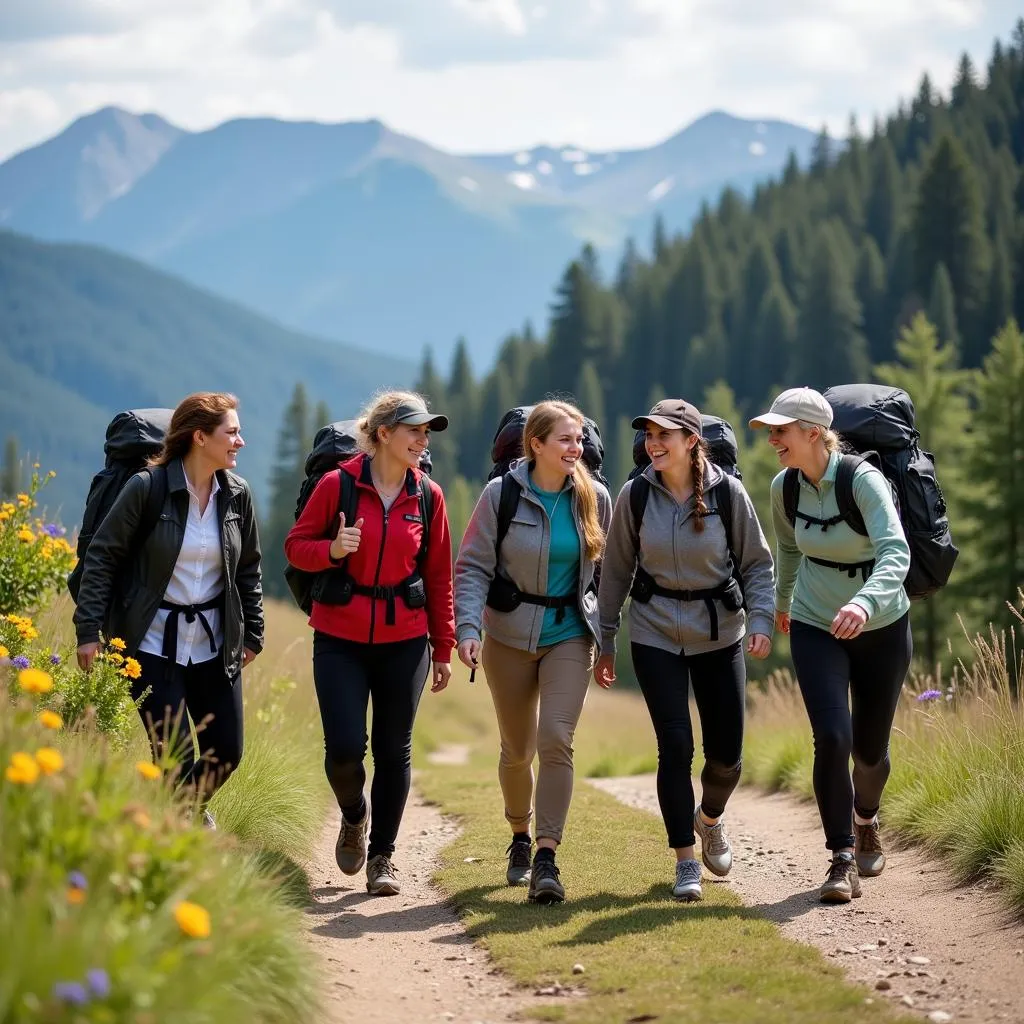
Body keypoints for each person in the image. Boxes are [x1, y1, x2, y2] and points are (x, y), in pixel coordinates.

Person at [596, 399, 775, 902]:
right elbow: (614, 573)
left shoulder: (728, 493)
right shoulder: (634, 496)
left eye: (665, 435)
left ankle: (710, 819)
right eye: (649, 434)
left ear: (692, 440)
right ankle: (685, 861)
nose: (654, 443)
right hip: (654, 633)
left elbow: (758, 564)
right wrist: (606, 640)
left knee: (727, 758)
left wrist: (760, 619)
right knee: (674, 747)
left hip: (721, 635)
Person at [285, 391, 455, 897]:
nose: (423, 441)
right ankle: (354, 815)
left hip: (405, 640)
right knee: (343, 750)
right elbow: (296, 547)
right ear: (383, 434)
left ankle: (383, 856)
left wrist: (443, 647)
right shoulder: (337, 486)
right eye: (415, 431)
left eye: (427, 433)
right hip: (340, 635)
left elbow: (440, 575)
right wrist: (333, 549)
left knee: (393, 749)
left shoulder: (428, 496)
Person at [750, 387, 911, 904]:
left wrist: (863, 604)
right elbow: (791, 548)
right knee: (832, 738)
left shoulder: (862, 481)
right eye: (771, 431)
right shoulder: (785, 487)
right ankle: (842, 858)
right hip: (816, 621)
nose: (773, 440)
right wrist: (782, 602)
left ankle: (866, 819)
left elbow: (895, 551)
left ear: (813, 432)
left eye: (781, 430)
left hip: (881, 623)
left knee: (869, 752)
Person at [75, 392, 263, 826]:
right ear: (200, 437)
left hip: (214, 645)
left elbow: (248, 569)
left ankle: (183, 812)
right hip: (151, 644)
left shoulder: (237, 495)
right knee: (174, 757)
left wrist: (253, 632)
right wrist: (88, 630)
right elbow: (102, 557)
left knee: (226, 752)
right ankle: (175, 839)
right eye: (231, 432)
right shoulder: (146, 488)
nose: (241, 441)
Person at [454, 401, 611, 905]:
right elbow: (473, 566)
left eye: (580, 440)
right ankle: (519, 836)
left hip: (569, 633)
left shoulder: (596, 498)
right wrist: (469, 626)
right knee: (517, 749)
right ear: (536, 444)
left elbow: (606, 576)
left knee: (556, 739)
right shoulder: (500, 496)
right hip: (507, 636)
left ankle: (546, 856)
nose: (576, 448)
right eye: (565, 439)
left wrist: (606, 639)